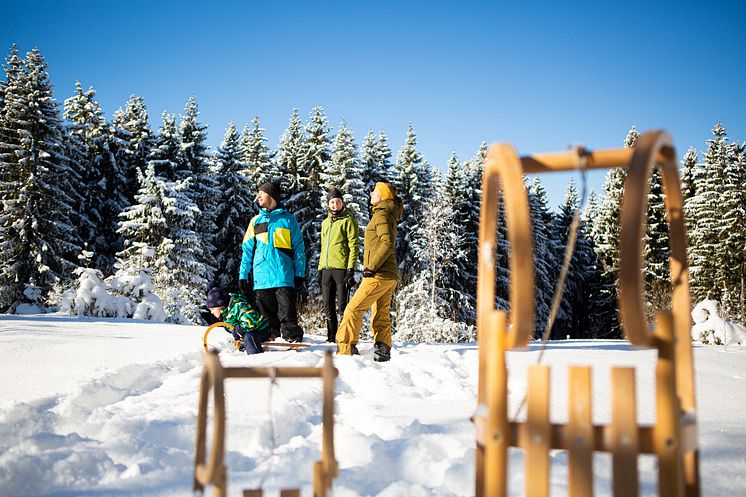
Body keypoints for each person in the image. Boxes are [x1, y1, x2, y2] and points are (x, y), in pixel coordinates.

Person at [336, 182, 402, 361]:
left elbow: (387, 243)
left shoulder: (381, 215)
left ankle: (345, 348)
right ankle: (382, 351)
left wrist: (371, 267)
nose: (371, 193)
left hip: (379, 274)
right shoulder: (387, 214)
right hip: (389, 275)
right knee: (380, 312)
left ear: (382, 196)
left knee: (353, 309)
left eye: (374, 191)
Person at [238, 180, 306, 342]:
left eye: (262, 193)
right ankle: (270, 338)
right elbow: (247, 250)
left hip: (283, 274)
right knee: (266, 321)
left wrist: (299, 273)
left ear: (272, 196)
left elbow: (299, 249)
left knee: (287, 315)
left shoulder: (288, 220)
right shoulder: (255, 221)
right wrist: (243, 275)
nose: (258, 197)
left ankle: (292, 339)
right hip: (261, 277)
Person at [318, 188, 360, 342]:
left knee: (343, 307)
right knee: (327, 306)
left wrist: (351, 270)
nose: (335, 205)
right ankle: (331, 338)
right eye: (332, 202)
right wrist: (320, 269)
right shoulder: (325, 223)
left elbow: (353, 246)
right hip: (326, 269)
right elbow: (323, 246)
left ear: (342, 203)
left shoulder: (348, 220)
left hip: (341, 269)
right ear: (328, 204)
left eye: (338, 202)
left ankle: (344, 337)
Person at [206, 282, 271, 355]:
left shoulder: (239, 306)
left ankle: (255, 357)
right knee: (243, 339)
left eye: (212, 309)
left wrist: (240, 329)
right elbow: (232, 326)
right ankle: (244, 351)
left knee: (249, 337)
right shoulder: (226, 314)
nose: (211, 312)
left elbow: (251, 321)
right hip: (249, 332)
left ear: (220, 306)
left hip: (262, 330)